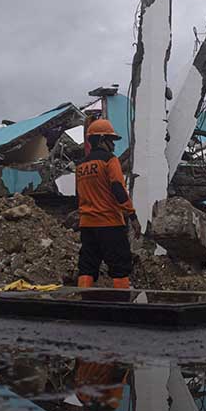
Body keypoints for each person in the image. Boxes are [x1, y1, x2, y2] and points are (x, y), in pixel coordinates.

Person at [75, 119, 139, 289]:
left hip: (87, 225)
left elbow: (79, 195)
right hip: (110, 223)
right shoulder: (110, 160)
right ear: (102, 140)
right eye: (111, 140)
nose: (113, 145)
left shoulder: (80, 165)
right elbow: (118, 189)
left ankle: (83, 304)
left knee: (87, 266)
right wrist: (132, 216)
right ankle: (122, 307)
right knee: (120, 267)